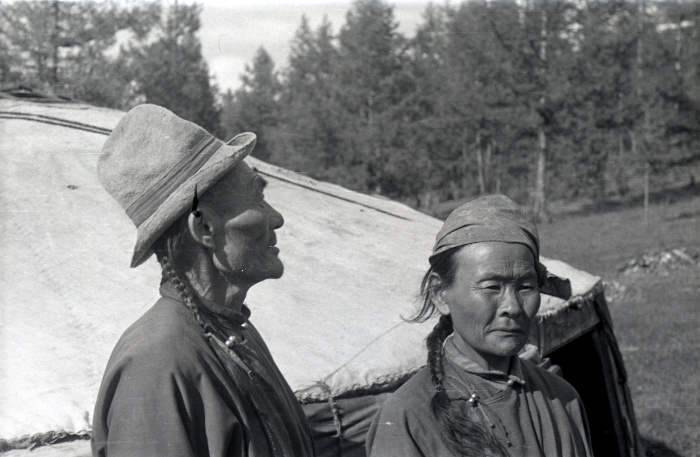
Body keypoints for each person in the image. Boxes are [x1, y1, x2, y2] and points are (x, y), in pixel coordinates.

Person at [91, 104, 315, 457]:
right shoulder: (158, 364)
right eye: (258, 197)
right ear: (206, 229)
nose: (277, 218)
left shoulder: (235, 332)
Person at [366, 195, 593, 457]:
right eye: (492, 287)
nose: (513, 306)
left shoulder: (562, 399)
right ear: (440, 294)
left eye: (526, 287)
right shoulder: (407, 418)